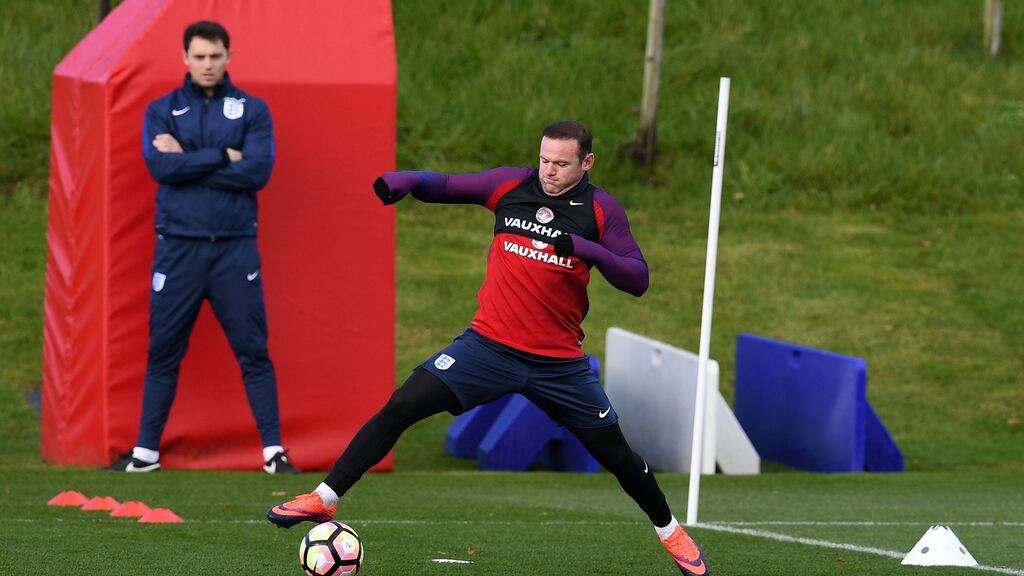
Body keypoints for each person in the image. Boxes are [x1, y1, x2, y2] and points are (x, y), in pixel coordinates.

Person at [266, 121, 710, 574]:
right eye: (544, 160)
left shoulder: (600, 210)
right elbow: (446, 185)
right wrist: (408, 181)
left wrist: (582, 248)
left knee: (618, 456)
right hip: (487, 348)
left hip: (559, 364)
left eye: (561, 163)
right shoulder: (511, 185)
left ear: (587, 162)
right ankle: (324, 499)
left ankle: (670, 530)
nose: (549, 171)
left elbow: (638, 279)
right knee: (404, 404)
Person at [105, 21, 297, 474]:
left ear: (229, 56)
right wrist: (222, 155)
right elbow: (159, 167)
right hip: (179, 250)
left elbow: (256, 174)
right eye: (199, 56)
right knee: (163, 349)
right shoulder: (162, 109)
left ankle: (273, 452)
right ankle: (146, 454)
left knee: (253, 350)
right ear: (184, 58)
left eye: (215, 56)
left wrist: (187, 157)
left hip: (235, 250)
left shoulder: (253, 109)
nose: (207, 65)